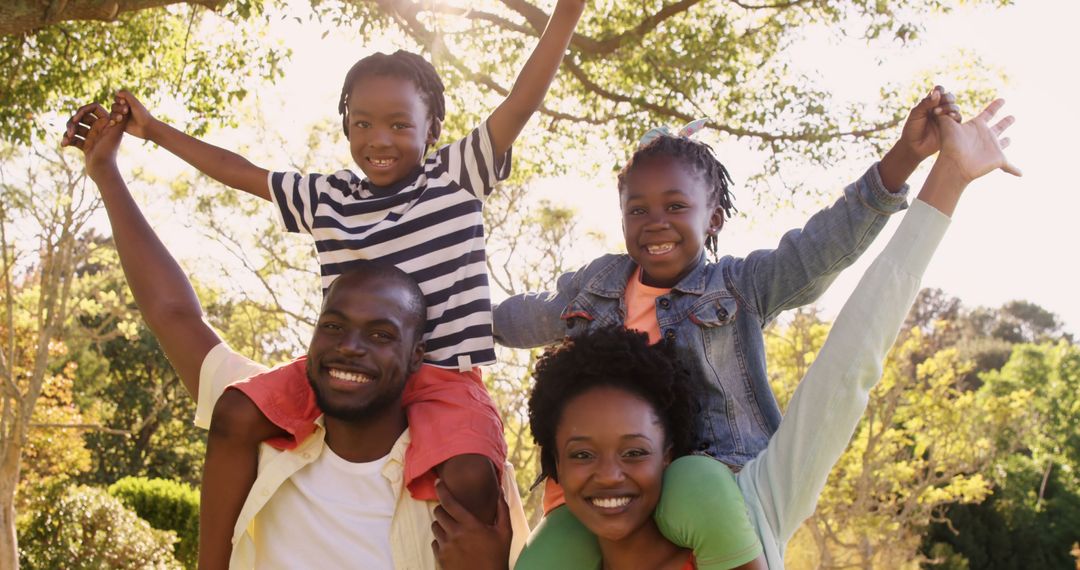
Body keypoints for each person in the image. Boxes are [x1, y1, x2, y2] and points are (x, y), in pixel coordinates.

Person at [86, 1, 586, 566]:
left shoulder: (454, 175)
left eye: (401, 124)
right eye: (363, 123)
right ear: (345, 125)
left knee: (470, 473)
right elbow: (239, 170)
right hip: (349, 369)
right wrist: (153, 131)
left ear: (433, 129)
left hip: (445, 377)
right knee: (234, 414)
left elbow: (521, 101)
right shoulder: (330, 199)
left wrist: (566, 13)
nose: (380, 138)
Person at [445, 95, 1019, 569]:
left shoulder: (736, 290)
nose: (656, 223)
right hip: (602, 487)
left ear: (713, 217)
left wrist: (902, 160)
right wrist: (453, 320)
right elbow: (526, 315)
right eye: (637, 210)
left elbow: (819, 249)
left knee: (695, 479)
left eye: (676, 206)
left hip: (715, 471)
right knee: (548, 553)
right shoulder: (597, 286)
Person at [61, 104, 529, 569]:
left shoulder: (456, 488)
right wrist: (105, 172)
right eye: (333, 326)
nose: (350, 345)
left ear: (415, 357)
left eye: (381, 334)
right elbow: (172, 311)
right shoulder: (265, 423)